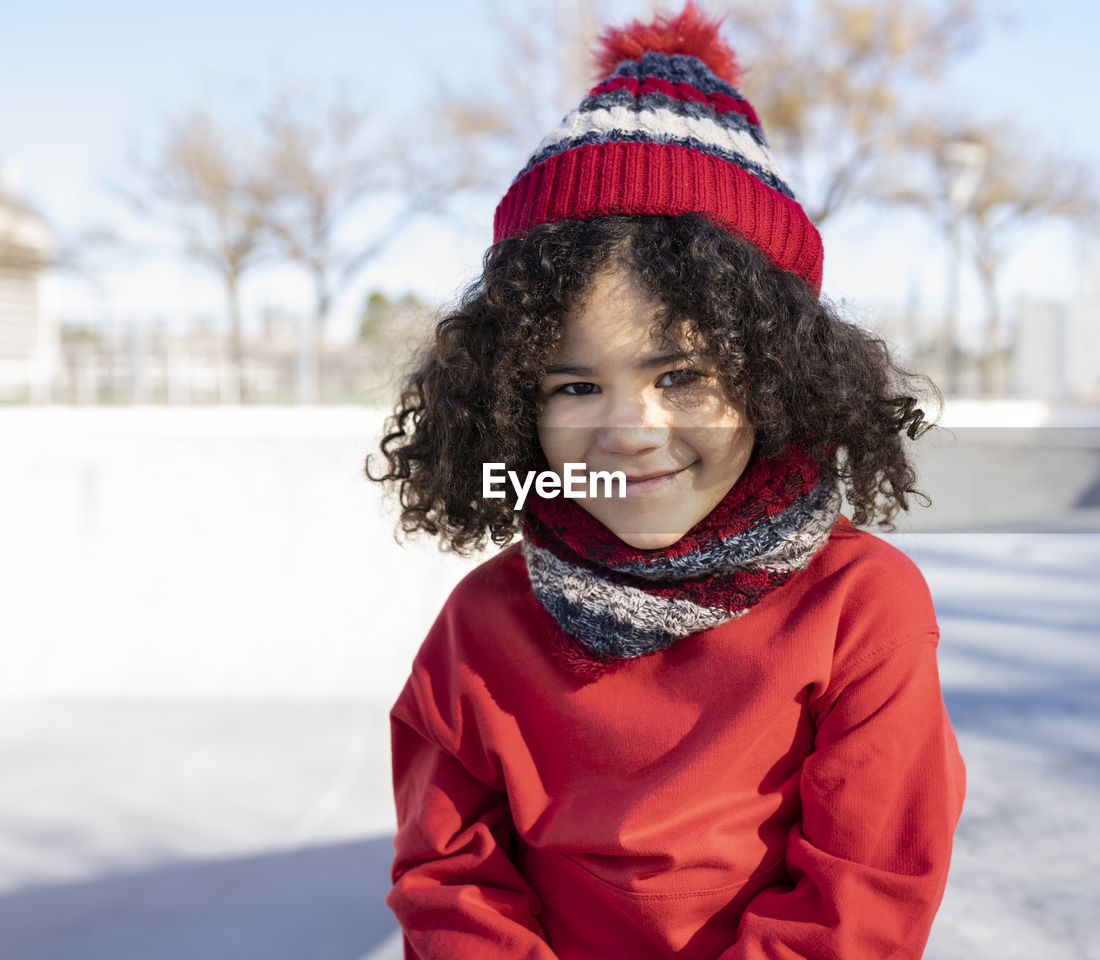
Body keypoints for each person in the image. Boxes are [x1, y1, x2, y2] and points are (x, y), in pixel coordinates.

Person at [367, 4, 965, 957]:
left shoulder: (862, 606)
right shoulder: (483, 625)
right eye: (575, 383)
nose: (628, 431)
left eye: (680, 374)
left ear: (776, 375)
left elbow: (861, 900)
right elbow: (450, 884)